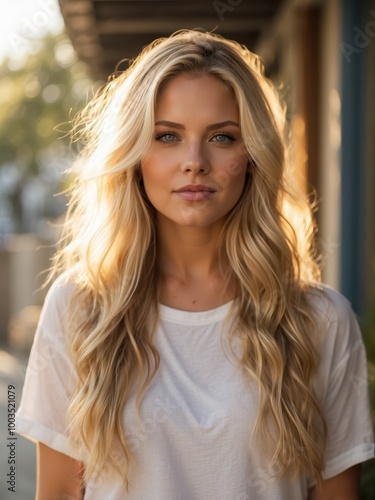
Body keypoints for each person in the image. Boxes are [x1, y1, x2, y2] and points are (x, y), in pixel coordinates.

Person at [16, 30, 373, 499]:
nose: (194, 162)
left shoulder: (321, 321)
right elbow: (59, 494)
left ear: (252, 157)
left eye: (222, 137)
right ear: (134, 154)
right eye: (168, 136)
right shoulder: (79, 308)